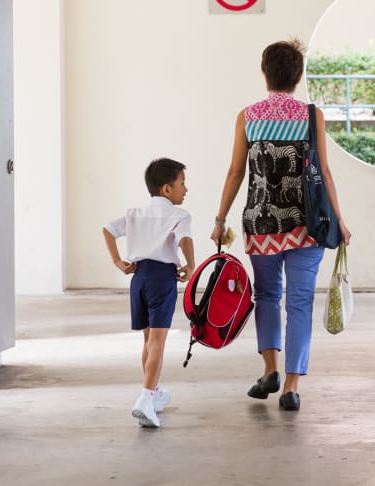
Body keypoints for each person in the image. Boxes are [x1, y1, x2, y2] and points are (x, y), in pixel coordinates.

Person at [211, 39, 351, 412]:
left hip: (261, 223)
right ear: (298, 76)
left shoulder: (248, 116)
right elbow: (323, 172)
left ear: (264, 74)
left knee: (267, 296)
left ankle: (270, 369)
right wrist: (339, 218)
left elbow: (235, 172)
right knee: (300, 302)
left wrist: (220, 219)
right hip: (307, 224)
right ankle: (291, 386)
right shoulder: (311, 116)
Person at [103, 158, 195, 428]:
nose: (186, 190)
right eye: (182, 183)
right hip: (161, 280)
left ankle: (153, 393)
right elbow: (185, 239)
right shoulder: (179, 215)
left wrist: (118, 262)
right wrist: (191, 265)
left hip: (139, 279)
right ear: (167, 189)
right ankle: (144, 399)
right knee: (158, 343)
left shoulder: (135, 214)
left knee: (147, 342)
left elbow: (107, 230)